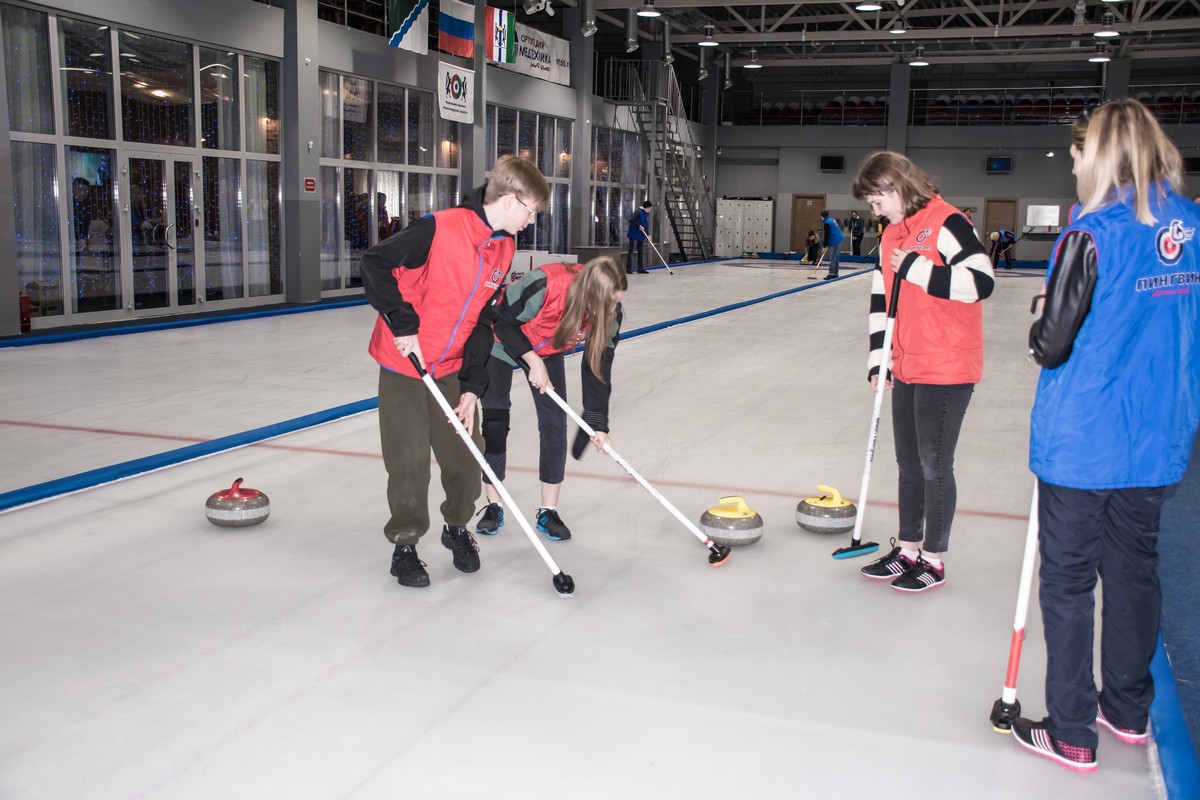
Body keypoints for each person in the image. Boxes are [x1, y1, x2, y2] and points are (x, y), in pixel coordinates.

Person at [1013, 98, 1200, 773]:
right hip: (1156, 437)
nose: (1072, 159)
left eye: (1079, 148)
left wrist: (1039, 321)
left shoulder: (1092, 232)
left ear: (1106, 152)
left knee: (1066, 582)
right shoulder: (1191, 224)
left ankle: (1069, 728)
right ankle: (1126, 708)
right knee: (1133, 572)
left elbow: (1052, 345)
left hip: (1086, 438)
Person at [360, 154, 550, 589]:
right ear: (509, 199)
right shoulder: (437, 228)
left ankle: (456, 528)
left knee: (467, 455)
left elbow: (483, 319)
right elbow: (375, 263)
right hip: (405, 362)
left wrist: (472, 386)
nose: (531, 220)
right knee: (408, 461)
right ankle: (405, 545)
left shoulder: (503, 247)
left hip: (449, 367)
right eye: (531, 211)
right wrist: (402, 322)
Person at [850, 151, 995, 592]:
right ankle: (909, 549)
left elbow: (980, 281)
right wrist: (880, 358)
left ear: (895, 187)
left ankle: (934, 558)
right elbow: (882, 301)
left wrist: (917, 268)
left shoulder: (949, 222)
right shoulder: (893, 234)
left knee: (934, 465)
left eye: (876, 201)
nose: (873, 211)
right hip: (908, 363)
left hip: (948, 364)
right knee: (908, 464)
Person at [475, 256, 627, 540]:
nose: (614, 310)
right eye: (609, 304)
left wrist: (598, 422)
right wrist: (532, 360)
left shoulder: (609, 314)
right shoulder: (546, 284)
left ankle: (548, 511)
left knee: (555, 424)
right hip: (499, 343)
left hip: (547, 350)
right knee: (496, 420)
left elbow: (598, 367)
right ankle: (493, 505)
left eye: (617, 303)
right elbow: (501, 321)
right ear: (590, 295)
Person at [626, 200, 652, 274]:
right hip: (634, 234)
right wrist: (638, 226)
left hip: (641, 235)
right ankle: (628, 268)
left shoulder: (646, 214)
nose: (650, 209)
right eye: (650, 208)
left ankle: (640, 268)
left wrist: (648, 234)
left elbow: (645, 225)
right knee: (631, 251)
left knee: (641, 251)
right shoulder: (638, 212)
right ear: (647, 207)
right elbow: (631, 220)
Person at [821, 209, 845, 279]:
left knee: (833, 257)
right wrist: (826, 245)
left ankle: (831, 273)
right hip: (839, 238)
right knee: (836, 256)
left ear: (822, 216)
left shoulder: (827, 223)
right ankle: (835, 273)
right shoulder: (831, 220)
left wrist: (825, 246)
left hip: (836, 240)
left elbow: (827, 235)